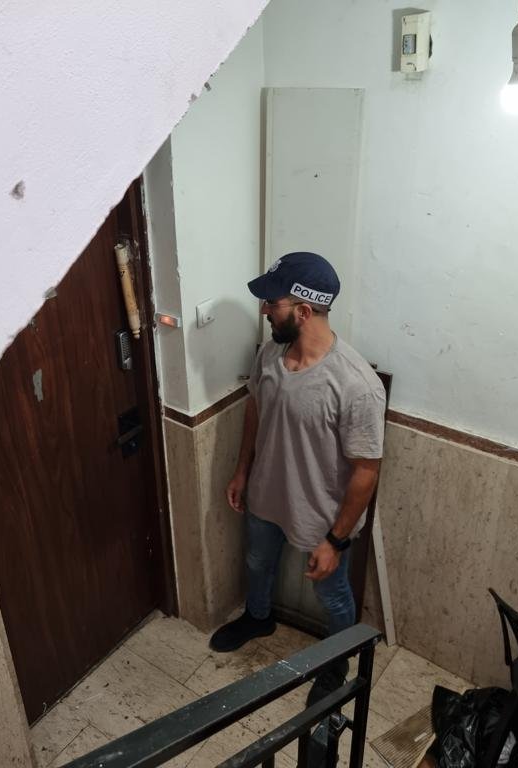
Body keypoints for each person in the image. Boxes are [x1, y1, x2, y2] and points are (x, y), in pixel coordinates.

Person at [208, 251, 386, 704]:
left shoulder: (356, 385)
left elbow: (367, 470)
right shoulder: (269, 353)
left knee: (333, 595)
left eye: (273, 303)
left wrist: (336, 540)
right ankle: (258, 617)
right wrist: (242, 470)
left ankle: (336, 662)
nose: (264, 311)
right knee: (257, 563)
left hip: (321, 516)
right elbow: (255, 407)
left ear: (304, 311)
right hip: (266, 495)